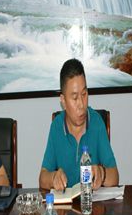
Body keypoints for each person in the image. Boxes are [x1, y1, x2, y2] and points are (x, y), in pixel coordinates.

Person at [39, 58, 119, 190]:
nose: (81, 104)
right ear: (63, 101)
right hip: (66, 202)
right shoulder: (57, 126)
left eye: (84, 94)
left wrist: (102, 173)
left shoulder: (96, 122)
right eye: (75, 98)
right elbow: (42, 177)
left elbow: (115, 176)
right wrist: (53, 177)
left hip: (91, 201)